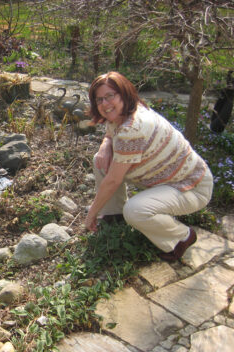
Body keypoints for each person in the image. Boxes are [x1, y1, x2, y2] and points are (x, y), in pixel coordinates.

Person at [84, 71, 213, 261]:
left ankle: (181, 237)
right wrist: (105, 144)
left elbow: (113, 181)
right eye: (99, 99)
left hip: (191, 187)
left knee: (135, 211)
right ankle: (113, 214)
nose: (104, 104)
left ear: (123, 93)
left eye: (110, 96)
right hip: (167, 180)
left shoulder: (133, 129)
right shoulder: (128, 110)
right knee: (100, 160)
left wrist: (91, 215)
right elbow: (112, 129)